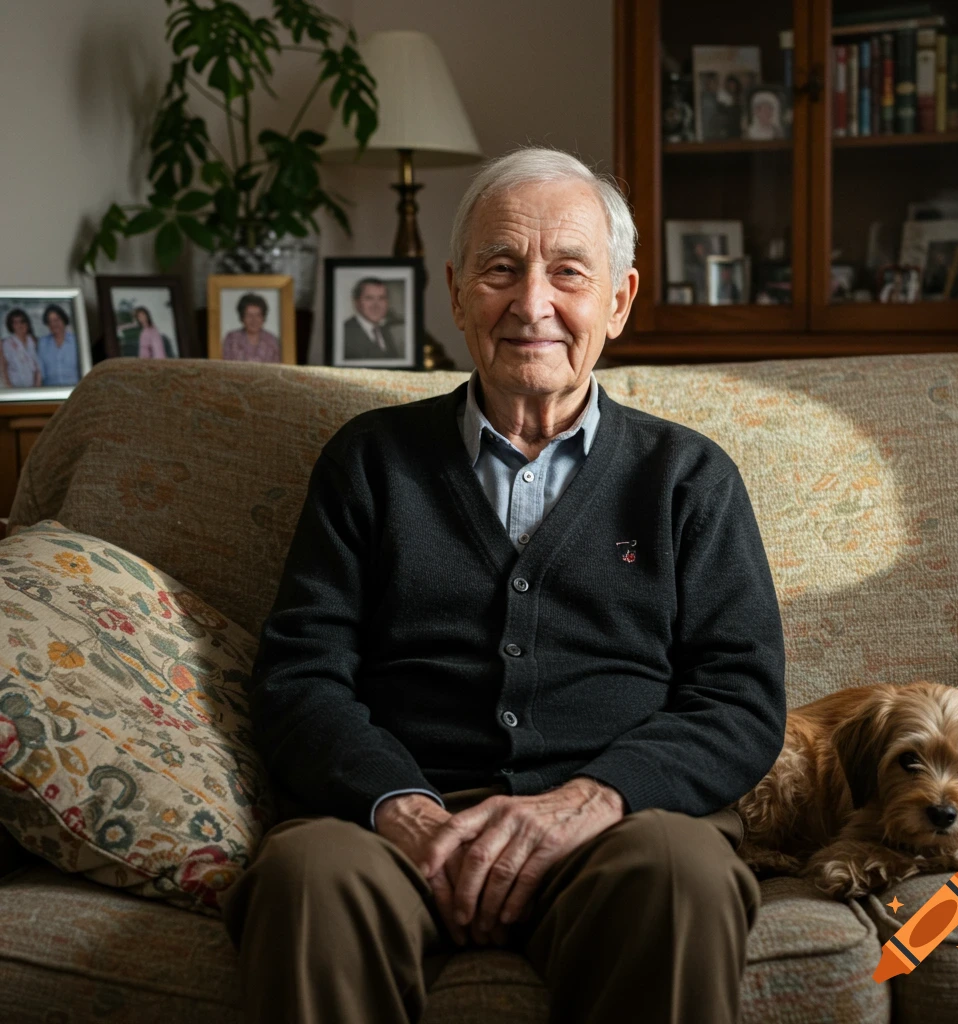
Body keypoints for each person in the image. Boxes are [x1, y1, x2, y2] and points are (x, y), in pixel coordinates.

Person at [223, 147, 786, 1024]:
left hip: (620, 830)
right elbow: (299, 678)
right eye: (500, 269)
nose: (533, 304)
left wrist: (590, 801)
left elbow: (740, 698)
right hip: (401, 826)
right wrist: (401, 808)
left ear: (620, 300)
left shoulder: (688, 478)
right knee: (304, 877)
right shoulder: (369, 463)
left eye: (568, 272)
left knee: (685, 875)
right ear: (455, 292)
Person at [342, 278, 405, 360]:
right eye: (369, 298)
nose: (376, 305)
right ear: (356, 302)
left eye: (381, 298)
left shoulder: (385, 330)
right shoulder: (344, 332)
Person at [221, 294, 281, 363]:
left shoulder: (271, 340)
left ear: (263, 317)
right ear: (242, 317)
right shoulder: (232, 338)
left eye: (258, 315)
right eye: (249, 315)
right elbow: (226, 366)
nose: (254, 320)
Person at [36, 304, 81, 386]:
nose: (54, 324)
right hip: (50, 392)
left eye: (56, 320)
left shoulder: (76, 341)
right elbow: (40, 372)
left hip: (75, 390)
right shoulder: (43, 343)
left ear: (64, 320)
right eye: (50, 321)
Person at [1, 308, 43, 388]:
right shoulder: (6, 343)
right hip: (15, 388)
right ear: (11, 325)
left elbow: (38, 368)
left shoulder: (34, 341)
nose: (19, 325)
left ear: (27, 323)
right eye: (15, 323)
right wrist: (9, 388)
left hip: (32, 387)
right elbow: (3, 368)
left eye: (22, 321)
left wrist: (37, 386)